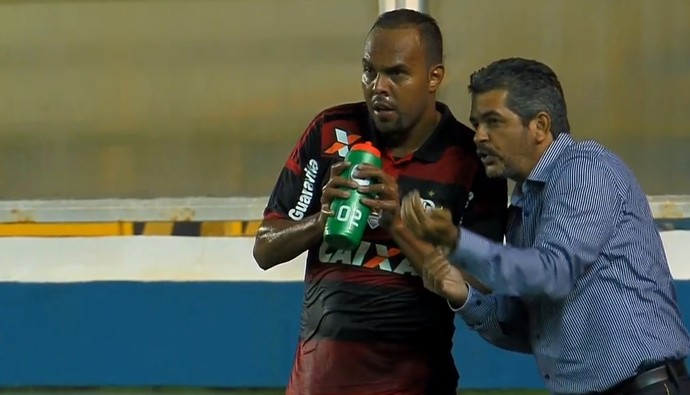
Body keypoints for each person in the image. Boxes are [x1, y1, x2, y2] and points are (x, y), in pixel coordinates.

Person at [252, 9, 507, 395]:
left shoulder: (469, 159)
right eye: (369, 71)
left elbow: (479, 283)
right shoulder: (331, 132)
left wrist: (399, 224)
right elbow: (265, 247)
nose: (378, 87)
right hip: (317, 386)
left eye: (397, 74)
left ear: (434, 77)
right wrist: (321, 220)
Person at [401, 57, 690, 395]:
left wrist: (456, 241)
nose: (478, 136)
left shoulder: (584, 170)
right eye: (476, 123)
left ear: (539, 126)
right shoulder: (523, 208)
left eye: (493, 122)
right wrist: (463, 295)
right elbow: (531, 331)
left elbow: (552, 273)